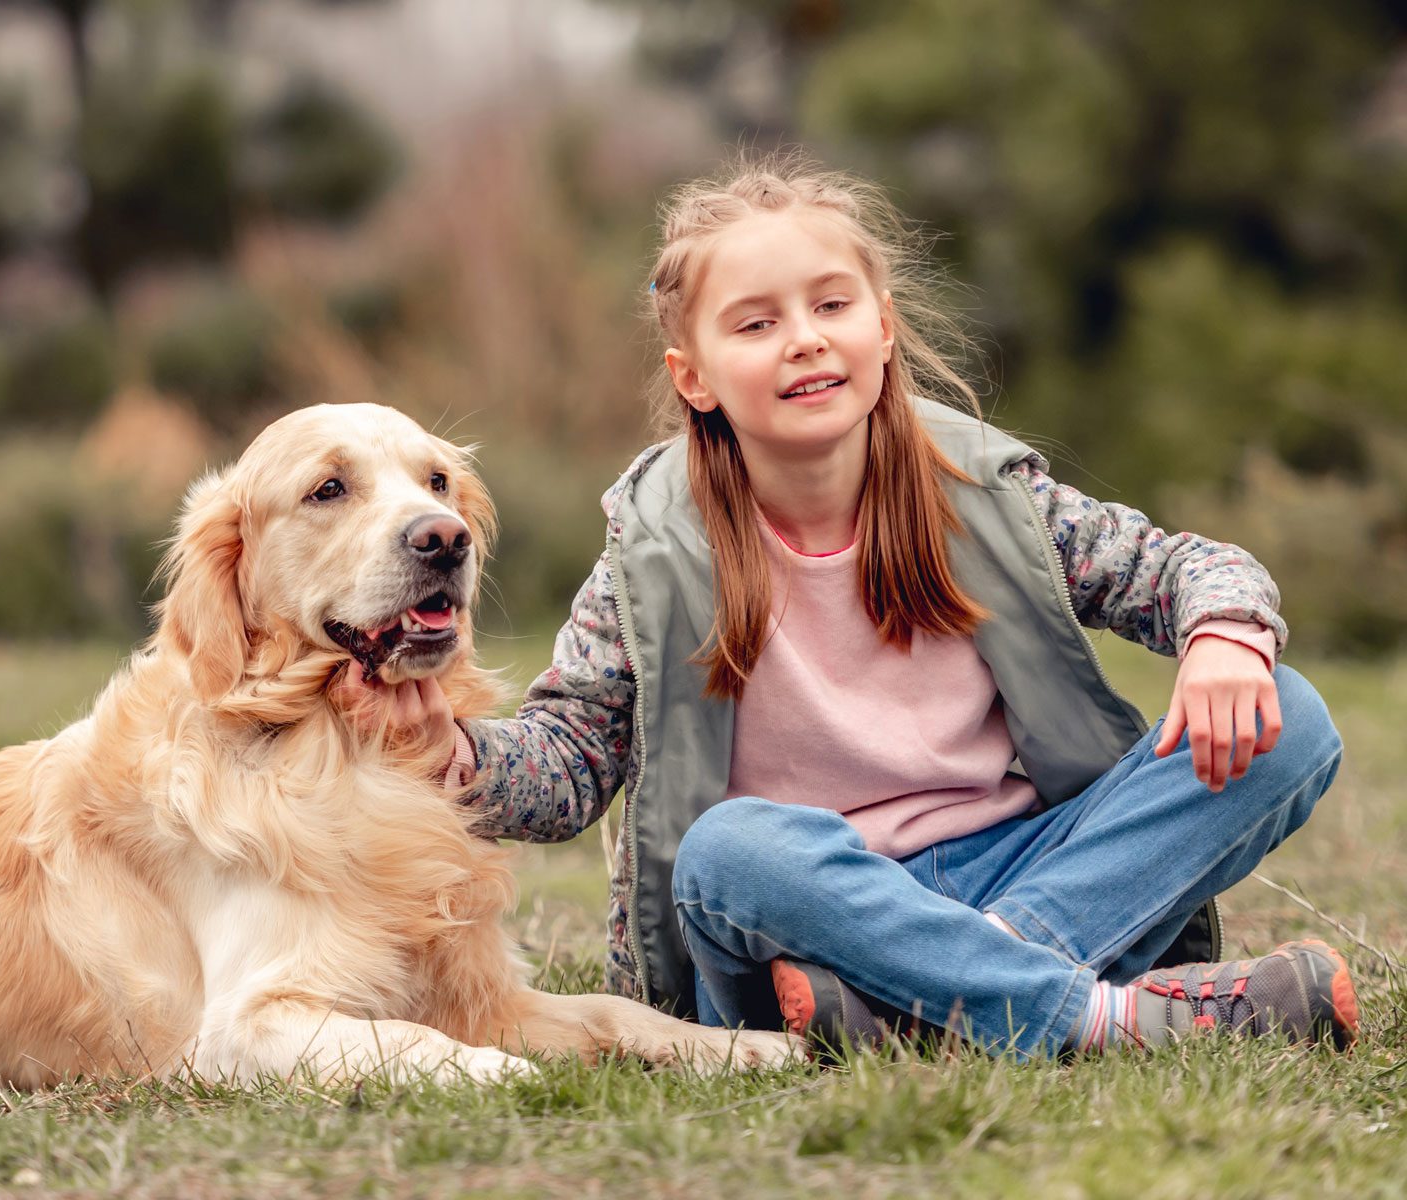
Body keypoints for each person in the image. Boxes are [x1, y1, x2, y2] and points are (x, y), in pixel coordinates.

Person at [339, 152, 1355, 1057]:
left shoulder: (986, 496)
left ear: (883, 328)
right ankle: (1101, 1014)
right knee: (732, 847)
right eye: (756, 323)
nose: (804, 341)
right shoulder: (655, 550)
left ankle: (920, 1002)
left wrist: (1223, 634)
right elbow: (566, 766)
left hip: (1018, 862)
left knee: (1291, 721)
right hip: (804, 904)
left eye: (831, 306)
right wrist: (455, 751)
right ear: (693, 378)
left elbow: (1183, 567)